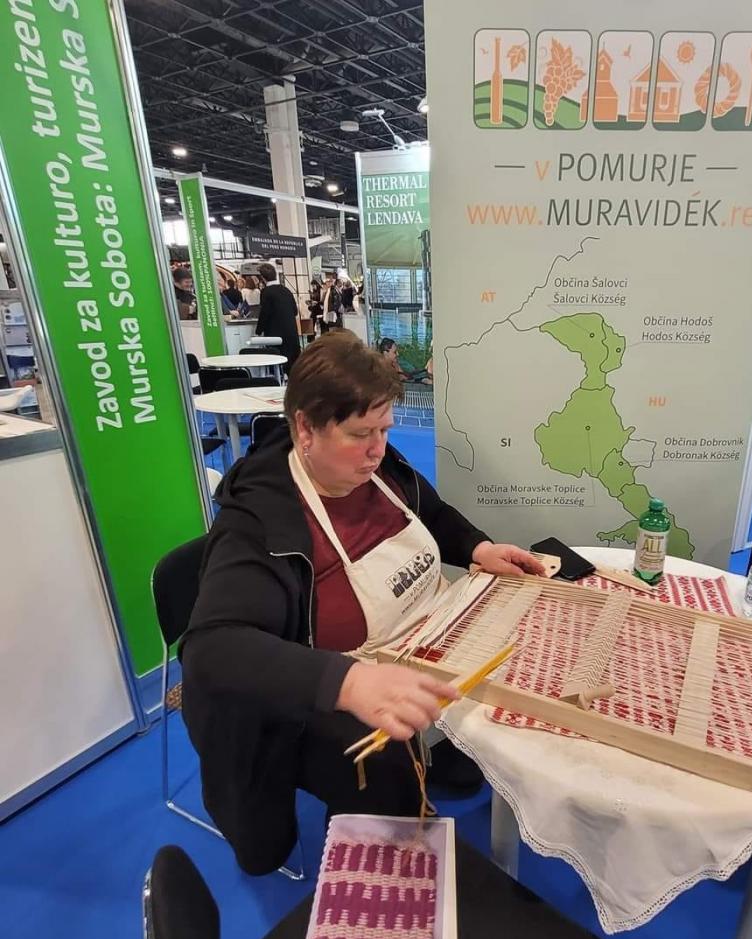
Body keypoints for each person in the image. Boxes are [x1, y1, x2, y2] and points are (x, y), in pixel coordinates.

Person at [179, 331, 543, 875]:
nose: (377, 449)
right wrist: (348, 682)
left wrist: (478, 548)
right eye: (359, 435)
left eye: (384, 430)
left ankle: (452, 758)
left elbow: (432, 511)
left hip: (418, 637)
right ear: (305, 428)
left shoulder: (375, 467)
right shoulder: (259, 522)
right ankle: (387, 860)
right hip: (312, 692)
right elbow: (212, 648)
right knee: (386, 761)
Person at [255, 262, 300, 370]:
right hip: (292, 334)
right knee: (292, 366)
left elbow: (265, 313)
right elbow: (295, 311)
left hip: (276, 336)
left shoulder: (266, 292)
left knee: (277, 365)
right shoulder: (286, 290)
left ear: (262, 278)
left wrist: (258, 331)